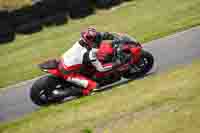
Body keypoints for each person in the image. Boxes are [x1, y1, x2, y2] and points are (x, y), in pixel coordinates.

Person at [53, 27, 126, 97]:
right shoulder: (89, 54)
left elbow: (97, 36)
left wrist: (113, 37)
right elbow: (101, 69)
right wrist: (117, 63)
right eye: (94, 40)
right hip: (68, 73)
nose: (96, 40)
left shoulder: (84, 40)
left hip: (66, 61)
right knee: (95, 87)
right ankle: (73, 92)